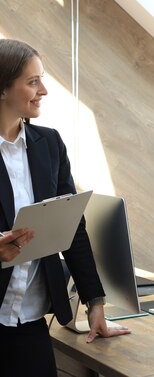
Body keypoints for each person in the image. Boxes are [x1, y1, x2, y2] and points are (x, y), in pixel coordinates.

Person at [0, 39, 130, 376]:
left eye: (41, 79)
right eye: (32, 82)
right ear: (2, 90)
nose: (43, 90)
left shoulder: (50, 144)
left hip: (31, 319)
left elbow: (72, 227)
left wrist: (95, 302)